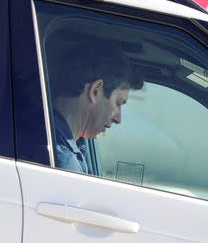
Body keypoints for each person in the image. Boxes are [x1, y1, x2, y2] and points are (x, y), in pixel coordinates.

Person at [48, 43, 144, 173]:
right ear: (95, 91)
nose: (118, 119)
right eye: (118, 103)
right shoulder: (64, 163)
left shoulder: (57, 142)